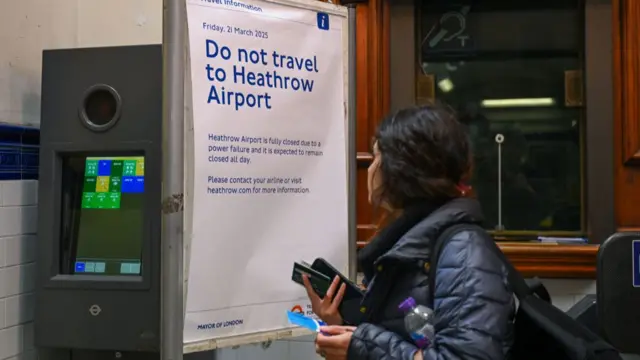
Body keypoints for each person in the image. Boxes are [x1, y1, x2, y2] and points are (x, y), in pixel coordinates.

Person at [303, 104, 515, 360]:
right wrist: (342, 323)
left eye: (376, 159)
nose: (370, 170)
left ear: (400, 170)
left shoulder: (463, 250)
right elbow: (403, 336)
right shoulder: (411, 240)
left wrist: (361, 347)